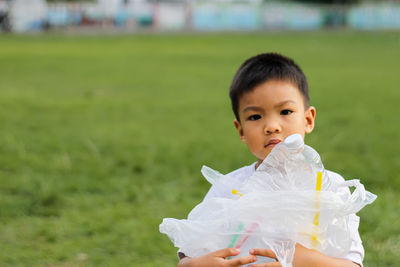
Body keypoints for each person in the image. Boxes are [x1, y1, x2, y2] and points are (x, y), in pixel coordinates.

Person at [177, 53, 363, 267]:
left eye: (285, 111)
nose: (272, 126)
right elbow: (188, 255)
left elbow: (352, 264)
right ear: (241, 131)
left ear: (308, 120)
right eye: (255, 117)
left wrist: (300, 259)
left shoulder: (329, 188)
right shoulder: (229, 189)